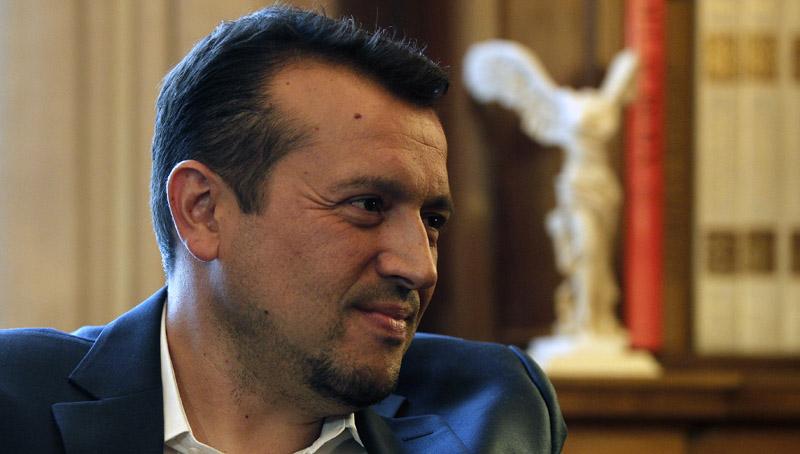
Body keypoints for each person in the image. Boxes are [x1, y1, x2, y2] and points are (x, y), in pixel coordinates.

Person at [0, 6, 566, 453]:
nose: (420, 266)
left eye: (432, 220)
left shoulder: (490, 411)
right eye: (367, 205)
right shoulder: (15, 404)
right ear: (202, 210)